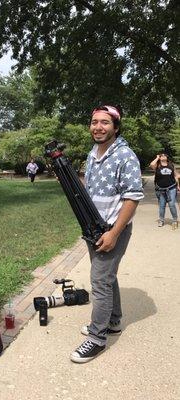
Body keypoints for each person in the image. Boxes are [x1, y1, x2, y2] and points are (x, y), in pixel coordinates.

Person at [70, 105, 144, 363]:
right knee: (108, 278)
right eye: (94, 122)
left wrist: (114, 233)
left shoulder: (125, 155)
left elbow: (133, 197)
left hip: (113, 230)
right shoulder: (93, 153)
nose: (98, 127)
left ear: (116, 126)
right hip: (94, 228)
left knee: (100, 281)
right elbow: (90, 189)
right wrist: (68, 179)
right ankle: (113, 321)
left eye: (105, 122)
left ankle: (97, 337)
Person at [149, 153, 179, 229]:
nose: (163, 156)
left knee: (172, 204)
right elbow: (152, 164)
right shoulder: (157, 166)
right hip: (161, 189)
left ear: (167, 157)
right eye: (161, 156)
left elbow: (176, 175)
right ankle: (161, 220)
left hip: (172, 187)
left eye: (164, 155)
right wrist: (157, 158)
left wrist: (178, 185)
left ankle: (175, 220)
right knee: (162, 205)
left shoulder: (171, 165)